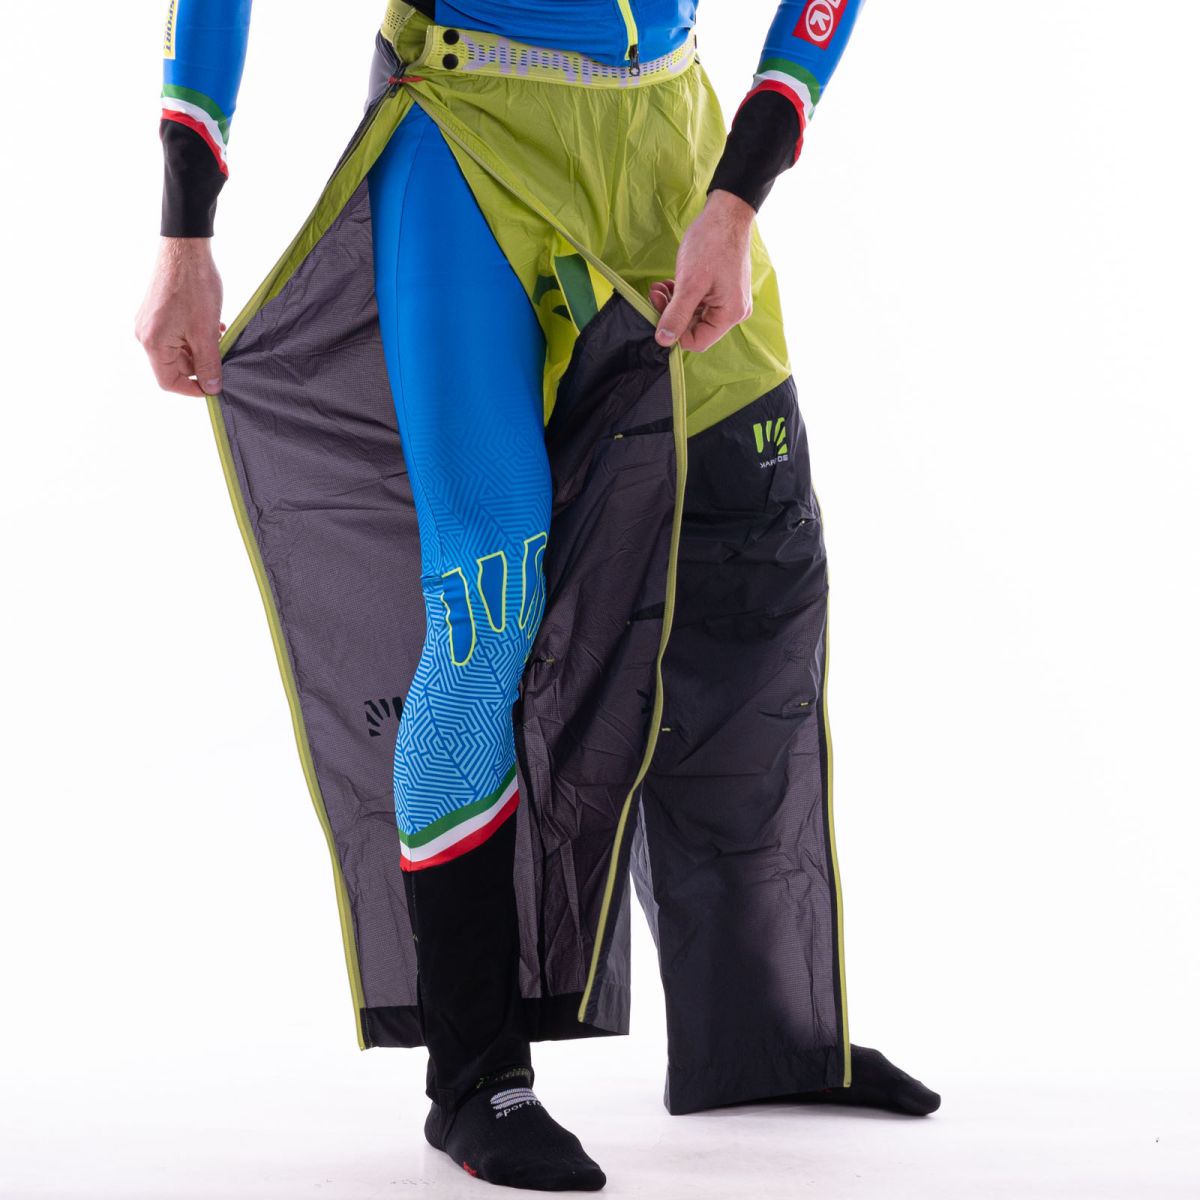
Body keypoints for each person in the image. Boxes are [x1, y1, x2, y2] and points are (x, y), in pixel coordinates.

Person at [137, 0, 940, 1190]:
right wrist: (185, 229)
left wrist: (741, 188)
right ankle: (475, 1077)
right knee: (486, 603)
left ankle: (760, 1035)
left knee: (747, 571)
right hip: (466, 140)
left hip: (671, 139)